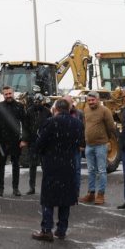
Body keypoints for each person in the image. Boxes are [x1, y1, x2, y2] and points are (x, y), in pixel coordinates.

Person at [31, 99, 83, 241]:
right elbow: (80, 143)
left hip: (52, 165)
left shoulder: (50, 122)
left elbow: (40, 143)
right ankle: (61, 229)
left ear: (56, 109)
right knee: (65, 199)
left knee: (48, 199)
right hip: (69, 165)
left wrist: (41, 152)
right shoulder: (77, 123)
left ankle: (47, 229)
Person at [80, 91, 116, 205]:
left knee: (101, 171)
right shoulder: (85, 109)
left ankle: (100, 194)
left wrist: (106, 138)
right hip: (89, 145)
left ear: (98, 99)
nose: (91, 102)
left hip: (100, 145)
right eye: (89, 100)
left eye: (93, 100)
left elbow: (111, 127)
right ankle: (91, 193)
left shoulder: (105, 111)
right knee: (91, 170)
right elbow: (85, 125)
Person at [0, 85, 27, 197]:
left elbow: (25, 124)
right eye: (6, 94)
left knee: (16, 165)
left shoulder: (19, 106)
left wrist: (23, 140)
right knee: (1, 166)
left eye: (10, 93)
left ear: (13, 93)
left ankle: (15, 188)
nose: (8, 96)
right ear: (3, 95)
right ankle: (0, 188)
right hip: (2, 142)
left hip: (15, 141)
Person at [24, 93, 52, 195]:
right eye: (36, 101)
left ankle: (47, 186)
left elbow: (50, 127)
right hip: (33, 142)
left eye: (39, 102)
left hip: (44, 143)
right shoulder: (29, 111)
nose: (37, 103)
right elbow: (26, 127)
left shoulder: (47, 112)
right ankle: (32, 187)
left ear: (42, 102)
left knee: (45, 166)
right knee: (32, 165)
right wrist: (25, 139)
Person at [63, 95, 85, 191]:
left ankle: (75, 191)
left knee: (76, 170)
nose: (67, 105)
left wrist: (81, 144)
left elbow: (83, 129)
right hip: (63, 147)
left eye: (69, 102)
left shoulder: (79, 113)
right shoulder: (59, 113)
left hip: (76, 146)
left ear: (72, 103)